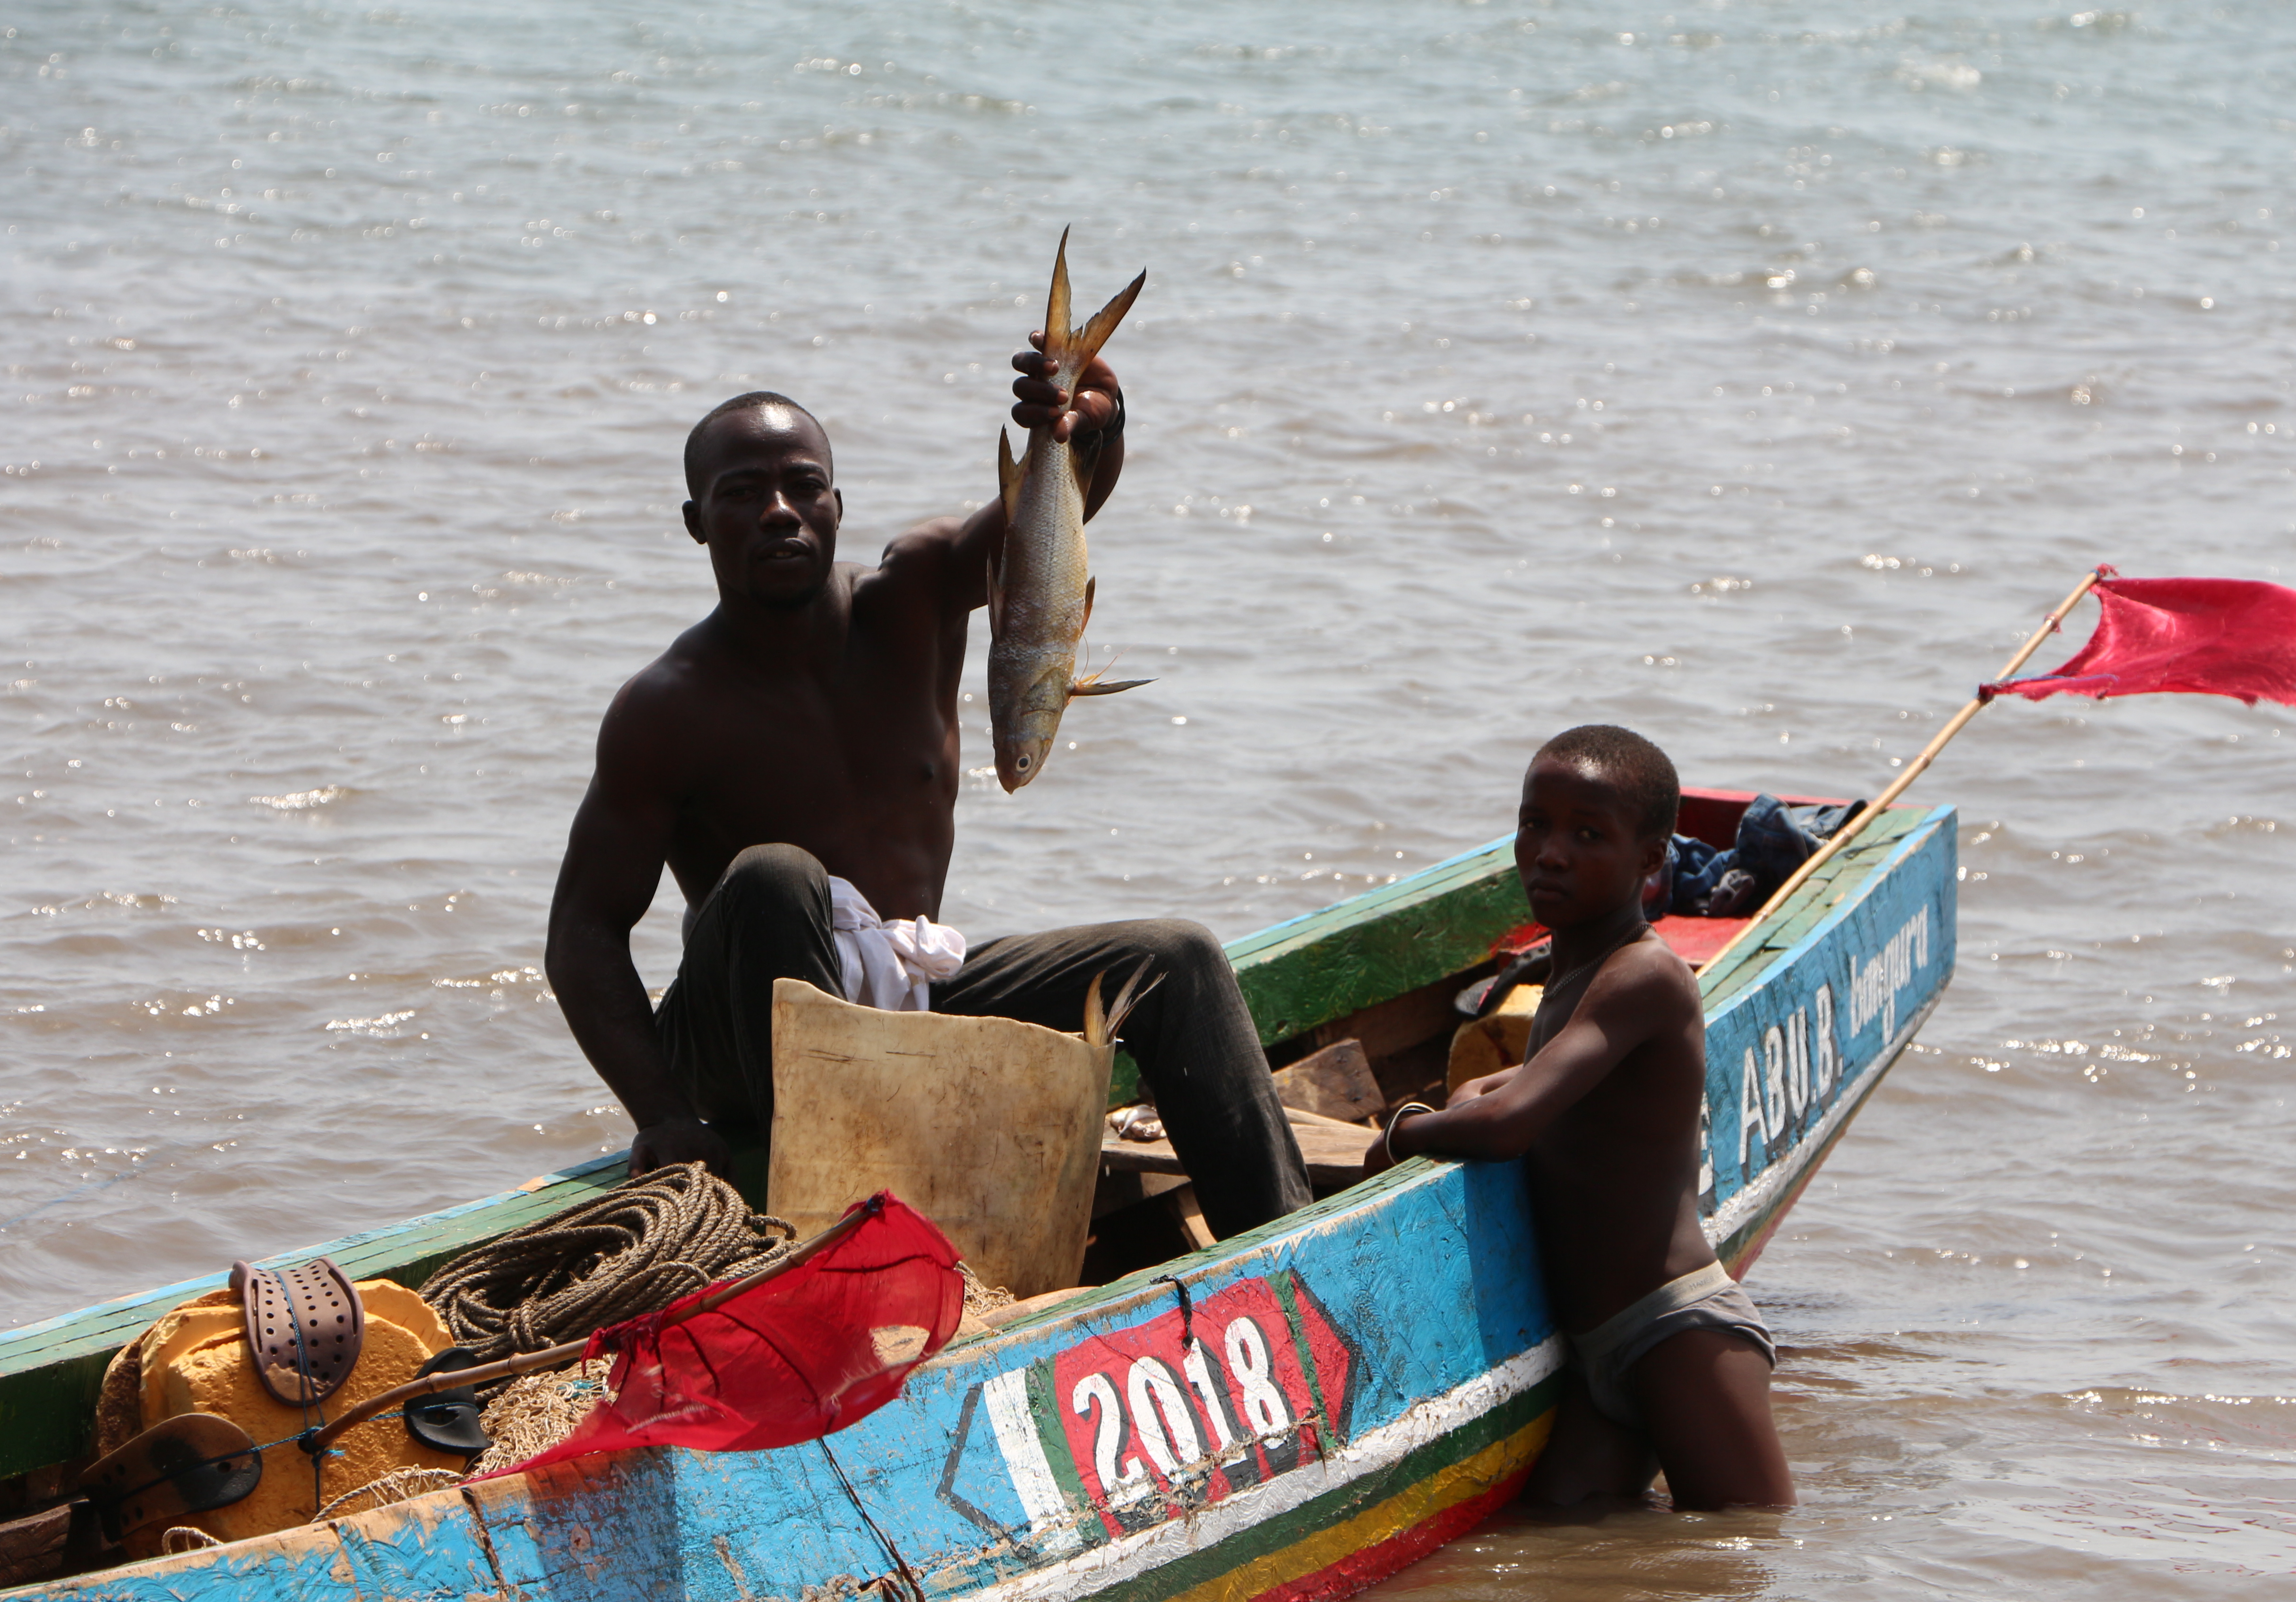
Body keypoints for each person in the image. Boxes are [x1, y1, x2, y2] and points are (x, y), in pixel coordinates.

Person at [543, 332, 1310, 1242]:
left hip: (910, 1000)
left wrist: (1092, 418)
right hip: (748, 1055)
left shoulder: (914, 598)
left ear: (838, 504)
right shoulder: (665, 707)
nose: (780, 513)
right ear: (696, 522)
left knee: (1175, 958)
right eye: (743, 495)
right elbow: (583, 937)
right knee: (778, 877)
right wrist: (664, 1116)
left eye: (803, 487)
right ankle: (826, 1227)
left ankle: (1292, 1252)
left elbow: (1051, 516)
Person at [1363, 725, 1794, 1510]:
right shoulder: (1577, 967)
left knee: (1749, 1560)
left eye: (1588, 835)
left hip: (1675, 1332)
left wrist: (1402, 1133)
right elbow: (1534, 1082)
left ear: (1652, 860)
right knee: (1565, 1557)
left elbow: (1510, 1125)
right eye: (1536, 824)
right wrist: (1479, 1094)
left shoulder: (1644, 975)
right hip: (1598, 1350)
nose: (1550, 852)